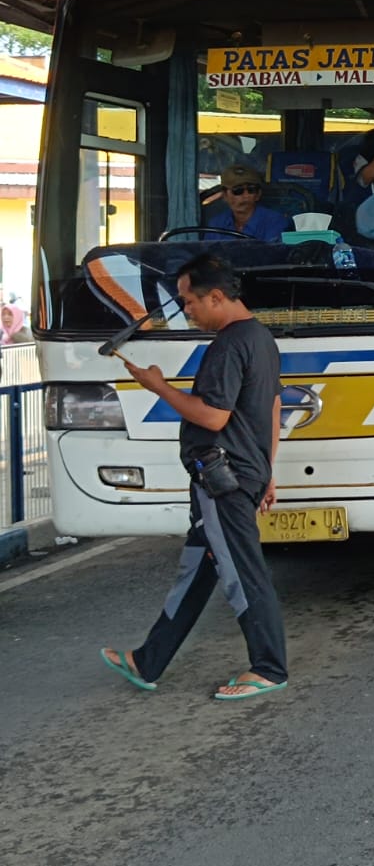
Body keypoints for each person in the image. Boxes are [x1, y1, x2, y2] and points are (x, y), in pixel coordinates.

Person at [99, 253, 289, 701]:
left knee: (243, 574)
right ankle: (148, 660)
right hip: (242, 473)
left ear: (217, 296)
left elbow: (213, 415)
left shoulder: (228, 344)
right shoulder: (261, 338)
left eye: (189, 301)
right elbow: (274, 408)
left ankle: (269, 667)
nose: (186, 310)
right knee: (197, 570)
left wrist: (157, 386)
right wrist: (267, 470)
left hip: (223, 479)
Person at [203, 164, 290, 241]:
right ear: (225, 195)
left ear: (258, 194)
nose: (246, 195)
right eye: (238, 190)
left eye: (251, 190)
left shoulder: (275, 221)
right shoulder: (216, 224)